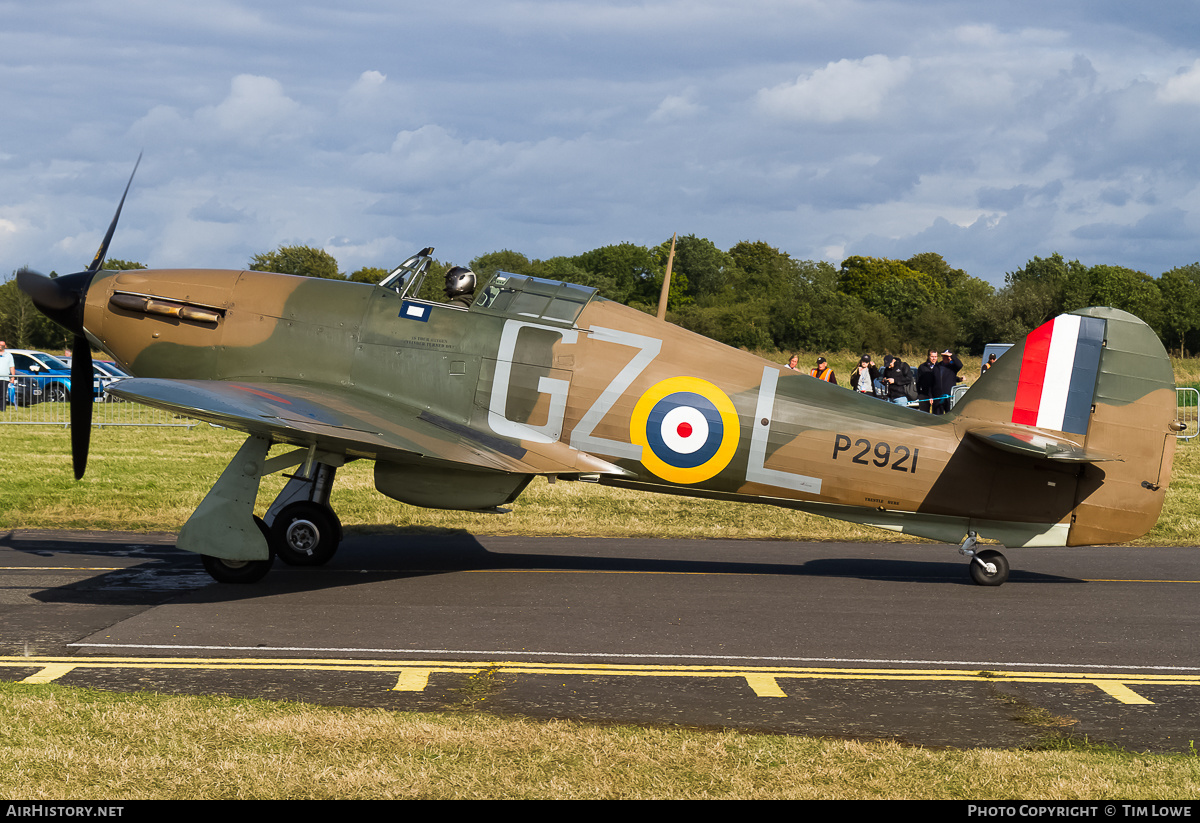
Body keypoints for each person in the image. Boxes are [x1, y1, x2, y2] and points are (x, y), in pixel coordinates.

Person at [931, 349, 962, 414]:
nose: (946, 358)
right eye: (945, 356)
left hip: (949, 396)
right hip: (938, 397)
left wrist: (952, 356)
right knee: (937, 417)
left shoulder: (953, 367)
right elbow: (932, 382)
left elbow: (960, 365)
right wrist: (930, 396)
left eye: (948, 357)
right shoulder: (937, 366)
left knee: (950, 415)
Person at [0, 341, 13, 412]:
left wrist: (13, 377)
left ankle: (2, 409)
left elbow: (12, 366)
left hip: (4, 378)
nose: (0, 346)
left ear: (5, 346)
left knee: (3, 395)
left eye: (2, 345)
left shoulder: (9, 355)